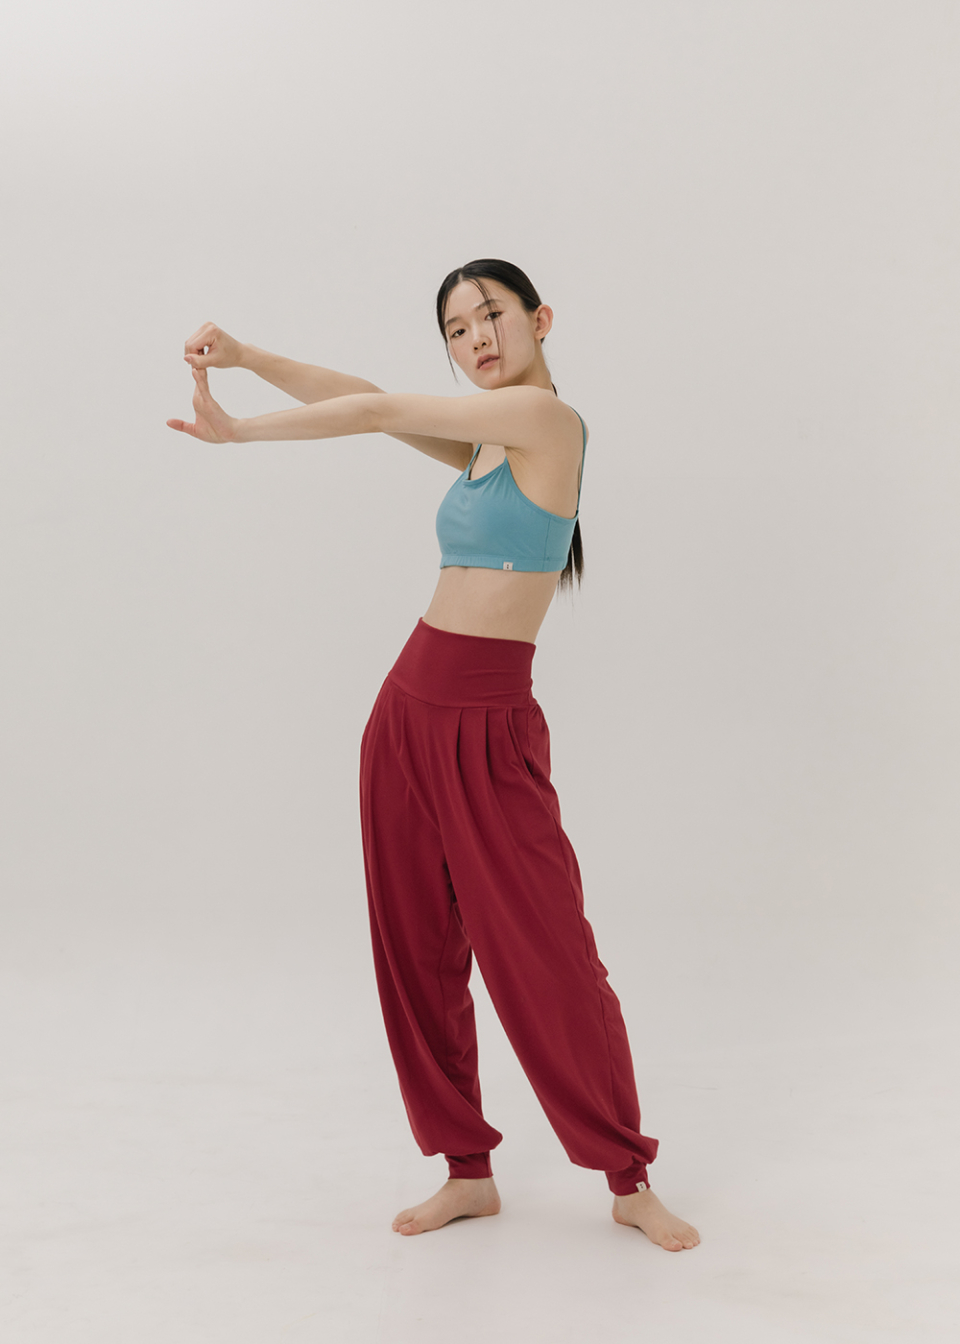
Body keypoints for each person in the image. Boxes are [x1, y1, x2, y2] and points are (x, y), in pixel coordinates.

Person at [167, 259, 699, 1251]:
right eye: (457, 330)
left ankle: (627, 1176)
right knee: (415, 946)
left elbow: (374, 409)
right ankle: (466, 1170)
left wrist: (239, 432)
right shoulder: (485, 440)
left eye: (492, 315)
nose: (477, 339)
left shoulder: (546, 421)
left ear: (540, 318)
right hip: (407, 713)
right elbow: (366, 397)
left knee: (548, 953)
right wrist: (245, 356)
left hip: (489, 726)